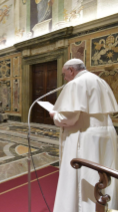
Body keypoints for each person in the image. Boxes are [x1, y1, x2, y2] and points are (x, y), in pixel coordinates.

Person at [50, 59, 118, 212]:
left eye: (65, 74)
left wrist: (54, 115)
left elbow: (69, 117)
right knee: (104, 174)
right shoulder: (100, 81)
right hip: (107, 134)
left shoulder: (75, 84)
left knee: (87, 176)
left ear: (71, 70)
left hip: (86, 136)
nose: (65, 78)